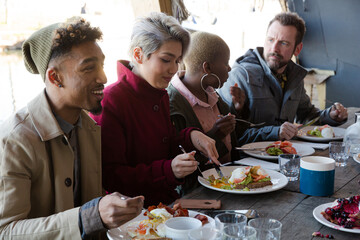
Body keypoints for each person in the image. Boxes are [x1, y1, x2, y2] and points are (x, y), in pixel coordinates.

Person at [0, 18, 144, 239]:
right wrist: (88, 217)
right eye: (88, 68)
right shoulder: (14, 140)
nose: (104, 77)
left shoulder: (89, 128)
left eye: (102, 65)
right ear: (55, 77)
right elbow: (5, 231)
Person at [90, 12, 219, 207]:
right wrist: (169, 170)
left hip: (166, 205)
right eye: (166, 60)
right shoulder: (111, 101)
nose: (174, 69)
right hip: (131, 215)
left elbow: (164, 145)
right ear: (138, 55)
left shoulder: (160, 93)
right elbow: (110, 177)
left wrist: (191, 136)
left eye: (177, 60)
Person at [218, 12, 348, 145]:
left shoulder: (294, 76)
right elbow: (230, 136)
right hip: (246, 161)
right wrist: (275, 132)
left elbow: (307, 116)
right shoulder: (240, 75)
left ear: (297, 49)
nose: (274, 48)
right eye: (270, 40)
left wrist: (331, 116)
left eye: (284, 43)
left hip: (284, 154)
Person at [168, 31, 244, 166]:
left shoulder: (212, 94)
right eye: (226, 63)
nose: (230, 68)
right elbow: (183, 164)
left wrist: (237, 109)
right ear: (207, 67)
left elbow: (233, 143)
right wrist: (215, 135)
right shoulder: (173, 105)